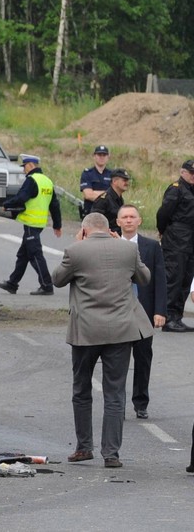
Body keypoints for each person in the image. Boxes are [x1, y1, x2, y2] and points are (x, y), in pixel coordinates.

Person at [53, 212, 152, 469]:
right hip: (121, 330)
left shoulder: (76, 251)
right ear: (110, 230)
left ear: (84, 231)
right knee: (115, 392)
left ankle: (84, 447)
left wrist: (78, 245)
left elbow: (57, 279)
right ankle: (111, 453)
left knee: (81, 389)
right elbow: (144, 278)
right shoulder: (127, 250)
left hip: (86, 331)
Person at [116, 204, 166, 419]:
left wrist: (160, 310)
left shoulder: (152, 246)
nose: (128, 220)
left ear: (139, 221)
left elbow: (160, 280)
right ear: (117, 222)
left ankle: (141, 403)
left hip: (143, 312)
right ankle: (116, 404)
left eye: (132, 217)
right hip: (117, 313)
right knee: (117, 361)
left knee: (143, 358)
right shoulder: (111, 245)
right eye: (124, 217)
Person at [0, 154, 62, 296]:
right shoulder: (47, 181)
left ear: (31, 165)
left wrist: (7, 205)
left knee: (35, 254)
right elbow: (55, 205)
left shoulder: (32, 180)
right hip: (38, 223)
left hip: (31, 222)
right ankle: (12, 283)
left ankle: (46, 285)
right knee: (23, 255)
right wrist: (57, 224)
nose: (23, 170)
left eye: (24, 167)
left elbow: (22, 197)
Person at [156, 159, 194, 332]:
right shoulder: (176, 189)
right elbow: (163, 214)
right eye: (191, 173)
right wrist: (164, 232)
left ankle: (177, 317)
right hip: (176, 238)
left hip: (190, 239)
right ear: (183, 172)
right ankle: (167, 317)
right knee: (173, 278)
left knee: (186, 278)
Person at [90, 169, 130, 235]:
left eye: (127, 181)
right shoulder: (104, 200)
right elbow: (95, 222)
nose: (127, 183)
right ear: (114, 181)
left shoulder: (119, 199)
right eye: (124, 180)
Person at [79, 145, 113, 217]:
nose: (102, 157)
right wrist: (107, 195)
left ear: (108, 157)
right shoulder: (87, 173)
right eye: (99, 154)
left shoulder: (112, 174)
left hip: (108, 214)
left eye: (104, 155)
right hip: (91, 212)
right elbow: (88, 195)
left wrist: (95, 192)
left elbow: (115, 195)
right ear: (94, 156)